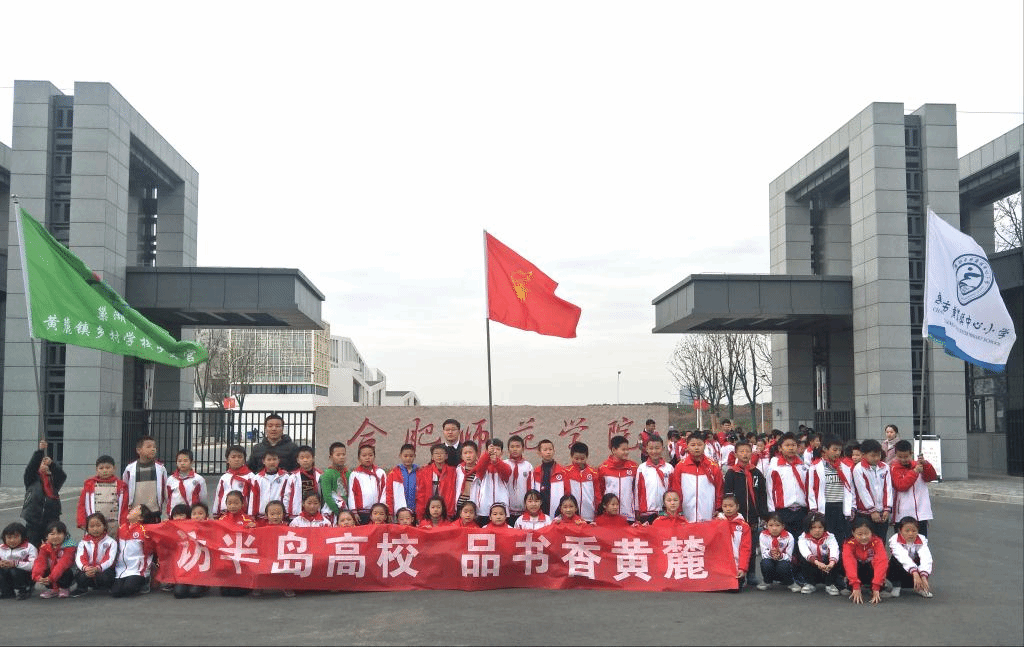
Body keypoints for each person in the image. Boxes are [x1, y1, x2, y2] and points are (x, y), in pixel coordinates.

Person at [723, 440, 766, 585]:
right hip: (737, 517)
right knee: (735, 547)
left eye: (747, 451)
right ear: (735, 454)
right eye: (741, 451)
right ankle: (735, 572)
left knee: (751, 547)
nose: (745, 454)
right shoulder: (731, 473)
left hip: (752, 516)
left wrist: (763, 514)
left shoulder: (757, 473)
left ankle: (751, 573)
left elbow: (762, 495)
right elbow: (727, 495)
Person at [807, 435, 854, 544]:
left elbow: (851, 489)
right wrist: (814, 508)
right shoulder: (815, 467)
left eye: (839, 450)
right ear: (825, 449)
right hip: (826, 507)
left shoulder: (845, 467)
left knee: (841, 536)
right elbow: (811, 489)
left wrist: (852, 507)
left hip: (841, 506)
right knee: (827, 536)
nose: (837, 453)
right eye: (834, 450)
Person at [670, 431, 723, 523]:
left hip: (708, 513)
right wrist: (678, 510)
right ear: (687, 446)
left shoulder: (713, 466)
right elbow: (676, 489)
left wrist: (718, 507)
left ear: (704, 445)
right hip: (686, 514)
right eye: (693, 445)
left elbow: (719, 489)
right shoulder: (680, 467)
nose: (696, 448)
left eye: (699, 444)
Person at [22, 440, 67, 547]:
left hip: (52, 518)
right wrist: (40, 451)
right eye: (42, 463)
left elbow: (62, 476)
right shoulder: (31, 479)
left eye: (45, 463)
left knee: (52, 545)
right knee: (33, 546)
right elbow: (31, 467)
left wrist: (52, 464)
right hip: (34, 519)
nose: (44, 465)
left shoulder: (53, 480)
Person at [765, 432, 808, 539]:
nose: (791, 448)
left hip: (802, 510)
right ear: (780, 448)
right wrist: (772, 512)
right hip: (783, 511)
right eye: (787, 445)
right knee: (785, 541)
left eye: (793, 445)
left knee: (801, 540)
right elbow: (770, 490)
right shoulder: (775, 467)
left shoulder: (803, 466)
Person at [891, 440, 938, 537]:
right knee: (902, 541)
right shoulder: (894, 468)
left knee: (921, 540)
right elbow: (901, 486)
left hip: (921, 511)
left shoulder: (918, 465)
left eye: (906, 456)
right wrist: (914, 472)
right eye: (900, 457)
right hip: (903, 512)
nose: (903, 459)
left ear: (911, 454)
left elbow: (931, 477)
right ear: (895, 455)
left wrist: (926, 464)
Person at [77, 455, 129, 535]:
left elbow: (124, 507)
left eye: (108, 468)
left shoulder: (121, 486)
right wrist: (81, 521)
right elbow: (82, 505)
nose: (105, 471)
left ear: (114, 468)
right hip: (95, 526)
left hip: (114, 525)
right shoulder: (89, 485)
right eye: (101, 468)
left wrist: (124, 524)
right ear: (96, 469)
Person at [851, 439, 893, 539]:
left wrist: (887, 508)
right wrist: (872, 510)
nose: (876, 458)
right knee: (866, 540)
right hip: (865, 513)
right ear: (863, 455)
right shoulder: (859, 469)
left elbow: (888, 488)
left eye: (878, 455)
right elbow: (863, 491)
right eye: (873, 456)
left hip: (882, 512)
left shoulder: (885, 467)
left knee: (881, 539)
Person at [842, 517, 888, 604]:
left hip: (871, 571)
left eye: (867, 533)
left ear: (871, 532)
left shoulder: (877, 542)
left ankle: (876, 586)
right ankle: (853, 586)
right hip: (857, 571)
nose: (863, 537)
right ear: (853, 533)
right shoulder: (849, 544)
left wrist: (876, 586)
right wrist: (855, 585)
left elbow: (881, 562)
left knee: (883, 565)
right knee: (845, 562)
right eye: (859, 534)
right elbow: (849, 563)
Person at [122, 435, 168, 523]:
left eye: (154, 447)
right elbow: (125, 490)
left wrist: (165, 514)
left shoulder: (161, 469)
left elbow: (165, 492)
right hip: (136, 515)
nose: (153, 449)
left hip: (155, 513)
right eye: (148, 447)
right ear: (138, 450)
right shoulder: (129, 469)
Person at [887, 517, 933, 598]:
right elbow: (902, 556)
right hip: (900, 568)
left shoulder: (922, 539)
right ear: (900, 531)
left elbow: (926, 557)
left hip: (913, 570)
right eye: (907, 531)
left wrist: (924, 576)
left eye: (914, 531)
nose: (911, 534)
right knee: (895, 560)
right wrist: (914, 572)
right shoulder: (894, 539)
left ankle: (920, 587)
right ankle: (896, 586)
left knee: (924, 561)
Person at [72, 512, 117, 596]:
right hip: (89, 570)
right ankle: (82, 588)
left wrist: (98, 568)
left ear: (104, 526)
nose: (95, 529)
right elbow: (80, 558)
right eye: (92, 526)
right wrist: (86, 568)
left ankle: (108, 586)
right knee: (79, 574)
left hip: (102, 570)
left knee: (107, 575)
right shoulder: (83, 542)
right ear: (87, 528)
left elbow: (109, 559)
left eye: (98, 525)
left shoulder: (111, 542)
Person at [797, 512, 841, 596]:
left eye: (820, 527)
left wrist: (831, 563)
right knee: (803, 558)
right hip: (813, 564)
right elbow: (805, 551)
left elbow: (834, 549)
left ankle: (830, 584)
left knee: (837, 558)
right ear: (808, 528)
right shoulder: (803, 537)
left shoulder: (830, 536)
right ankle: (810, 583)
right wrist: (817, 562)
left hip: (826, 565)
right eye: (813, 527)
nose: (817, 530)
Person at [597, 436, 638, 522]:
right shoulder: (603, 468)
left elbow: (636, 490)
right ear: (614, 450)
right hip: (609, 516)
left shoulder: (634, 467)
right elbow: (600, 490)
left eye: (627, 449)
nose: (626, 452)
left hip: (628, 515)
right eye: (623, 450)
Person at [31, 520, 76, 598]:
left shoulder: (69, 547)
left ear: (65, 535)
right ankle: (52, 589)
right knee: (43, 570)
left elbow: (63, 564)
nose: (55, 537)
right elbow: (40, 562)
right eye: (52, 534)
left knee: (66, 571)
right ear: (46, 536)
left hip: (68, 573)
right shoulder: (45, 547)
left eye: (59, 533)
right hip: (53, 574)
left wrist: (51, 578)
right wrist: (38, 577)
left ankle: (64, 588)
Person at [634, 435, 674, 524]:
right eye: (651, 448)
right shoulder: (642, 468)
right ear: (646, 449)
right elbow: (637, 490)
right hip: (647, 511)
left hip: (665, 510)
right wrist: (637, 510)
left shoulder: (669, 468)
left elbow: (673, 488)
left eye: (657, 448)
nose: (654, 451)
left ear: (662, 449)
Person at [756, 513, 799, 592]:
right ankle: (767, 581)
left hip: (784, 561)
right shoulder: (763, 535)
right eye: (771, 525)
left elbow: (789, 557)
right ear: (766, 526)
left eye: (777, 525)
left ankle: (790, 582)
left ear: (783, 526)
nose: (774, 528)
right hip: (770, 559)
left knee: (783, 565)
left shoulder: (789, 537)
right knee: (765, 563)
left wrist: (780, 556)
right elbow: (764, 554)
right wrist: (771, 553)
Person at [212, 445, 259, 517]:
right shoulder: (224, 477)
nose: (237, 459)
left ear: (244, 460)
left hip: (243, 514)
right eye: (233, 457)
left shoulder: (250, 477)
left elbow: (253, 498)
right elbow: (219, 496)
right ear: (227, 460)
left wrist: (251, 514)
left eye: (240, 457)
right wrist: (216, 512)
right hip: (225, 514)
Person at [716, 494, 751, 590]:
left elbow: (745, 548)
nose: (728, 509)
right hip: (719, 565)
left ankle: (741, 578)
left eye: (731, 506)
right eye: (725, 506)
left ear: (737, 507)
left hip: (736, 565)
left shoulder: (744, 526)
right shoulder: (716, 523)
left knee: (734, 589)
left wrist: (742, 568)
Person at [475, 439, 512, 524]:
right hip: (484, 507)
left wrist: (496, 462)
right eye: (492, 449)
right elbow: (479, 470)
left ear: (502, 452)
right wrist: (486, 455)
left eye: (498, 449)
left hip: (502, 506)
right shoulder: (483, 465)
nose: (495, 451)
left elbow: (506, 474)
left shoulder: (505, 465)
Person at [348, 445, 387, 525]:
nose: (367, 458)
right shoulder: (355, 474)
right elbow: (351, 494)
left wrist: (382, 508)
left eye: (370, 455)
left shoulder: (380, 473)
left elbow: (384, 491)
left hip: (377, 513)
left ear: (374, 457)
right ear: (359, 458)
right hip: (361, 512)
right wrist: (354, 512)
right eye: (364, 455)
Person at [416, 444, 456, 522]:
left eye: (441, 453)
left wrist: (450, 512)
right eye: (436, 453)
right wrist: (420, 514)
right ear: (432, 457)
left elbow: (452, 493)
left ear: (446, 456)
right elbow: (421, 493)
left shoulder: (453, 471)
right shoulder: (424, 471)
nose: (439, 456)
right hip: (429, 510)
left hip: (446, 510)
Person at [164, 449, 207, 520]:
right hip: (175, 515)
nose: (182, 463)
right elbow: (167, 497)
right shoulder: (171, 479)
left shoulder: (198, 479)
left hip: (192, 515)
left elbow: (203, 498)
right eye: (179, 461)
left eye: (185, 461)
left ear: (191, 462)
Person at [0, 522, 37, 601]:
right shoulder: (1, 548)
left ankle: (24, 590)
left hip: (26, 575)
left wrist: (15, 564)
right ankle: (7, 591)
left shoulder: (29, 548)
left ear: (22, 537)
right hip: (9, 573)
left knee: (14, 570)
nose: (12, 540)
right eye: (9, 537)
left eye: (15, 537)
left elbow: (33, 565)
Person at [531, 439, 568, 517]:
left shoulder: (562, 471)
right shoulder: (535, 472)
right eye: (545, 450)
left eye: (550, 449)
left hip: (558, 511)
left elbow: (567, 492)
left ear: (554, 451)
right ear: (539, 453)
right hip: (540, 510)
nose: (548, 452)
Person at [285, 445, 322, 519]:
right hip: (297, 514)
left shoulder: (320, 475)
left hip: (315, 512)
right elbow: (287, 496)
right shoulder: (293, 477)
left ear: (313, 459)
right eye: (302, 458)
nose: (305, 460)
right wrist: (286, 512)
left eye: (308, 457)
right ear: (298, 460)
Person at [565, 442, 599, 522]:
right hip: (571, 515)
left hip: (589, 514)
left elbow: (597, 494)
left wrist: (598, 509)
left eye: (582, 459)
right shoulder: (566, 472)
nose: (579, 461)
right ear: (571, 457)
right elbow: (565, 492)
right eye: (576, 459)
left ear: (587, 457)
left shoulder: (593, 473)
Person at [253, 450, 291, 521]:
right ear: (263, 461)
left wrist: (286, 513)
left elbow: (288, 496)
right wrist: (252, 515)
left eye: (274, 459)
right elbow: (253, 497)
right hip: (261, 517)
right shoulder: (257, 478)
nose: (272, 462)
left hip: (279, 517)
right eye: (269, 459)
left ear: (278, 461)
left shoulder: (286, 477)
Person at [504, 435, 533, 526]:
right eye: (512, 447)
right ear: (508, 449)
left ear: (523, 449)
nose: (515, 449)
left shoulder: (528, 466)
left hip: (523, 510)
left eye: (517, 446)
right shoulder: (504, 464)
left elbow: (530, 487)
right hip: (506, 511)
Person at [454, 442, 486, 523]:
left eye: (470, 452)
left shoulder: (481, 469)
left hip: (474, 505)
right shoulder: (459, 469)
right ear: (461, 456)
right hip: (460, 504)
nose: (468, 456)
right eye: (465, 453)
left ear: (477, 454)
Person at [385, 444, 419, 520]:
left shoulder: (419, 472)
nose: (408, 458)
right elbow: (389, 493)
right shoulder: (394, 473)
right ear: (400, 456)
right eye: (405, 456)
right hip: (399, 512)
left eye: (411, 456)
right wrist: (390, 512)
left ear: (414, 456)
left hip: (415, 512)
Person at [320, 442, 350, 523]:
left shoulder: (348, 473)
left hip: (347, 511)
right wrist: (338, 512)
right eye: (338, 455)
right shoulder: (327, 474)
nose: (341, 457)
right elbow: (327, 496)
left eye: (343, 454)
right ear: (331, 457)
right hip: (332, 512)